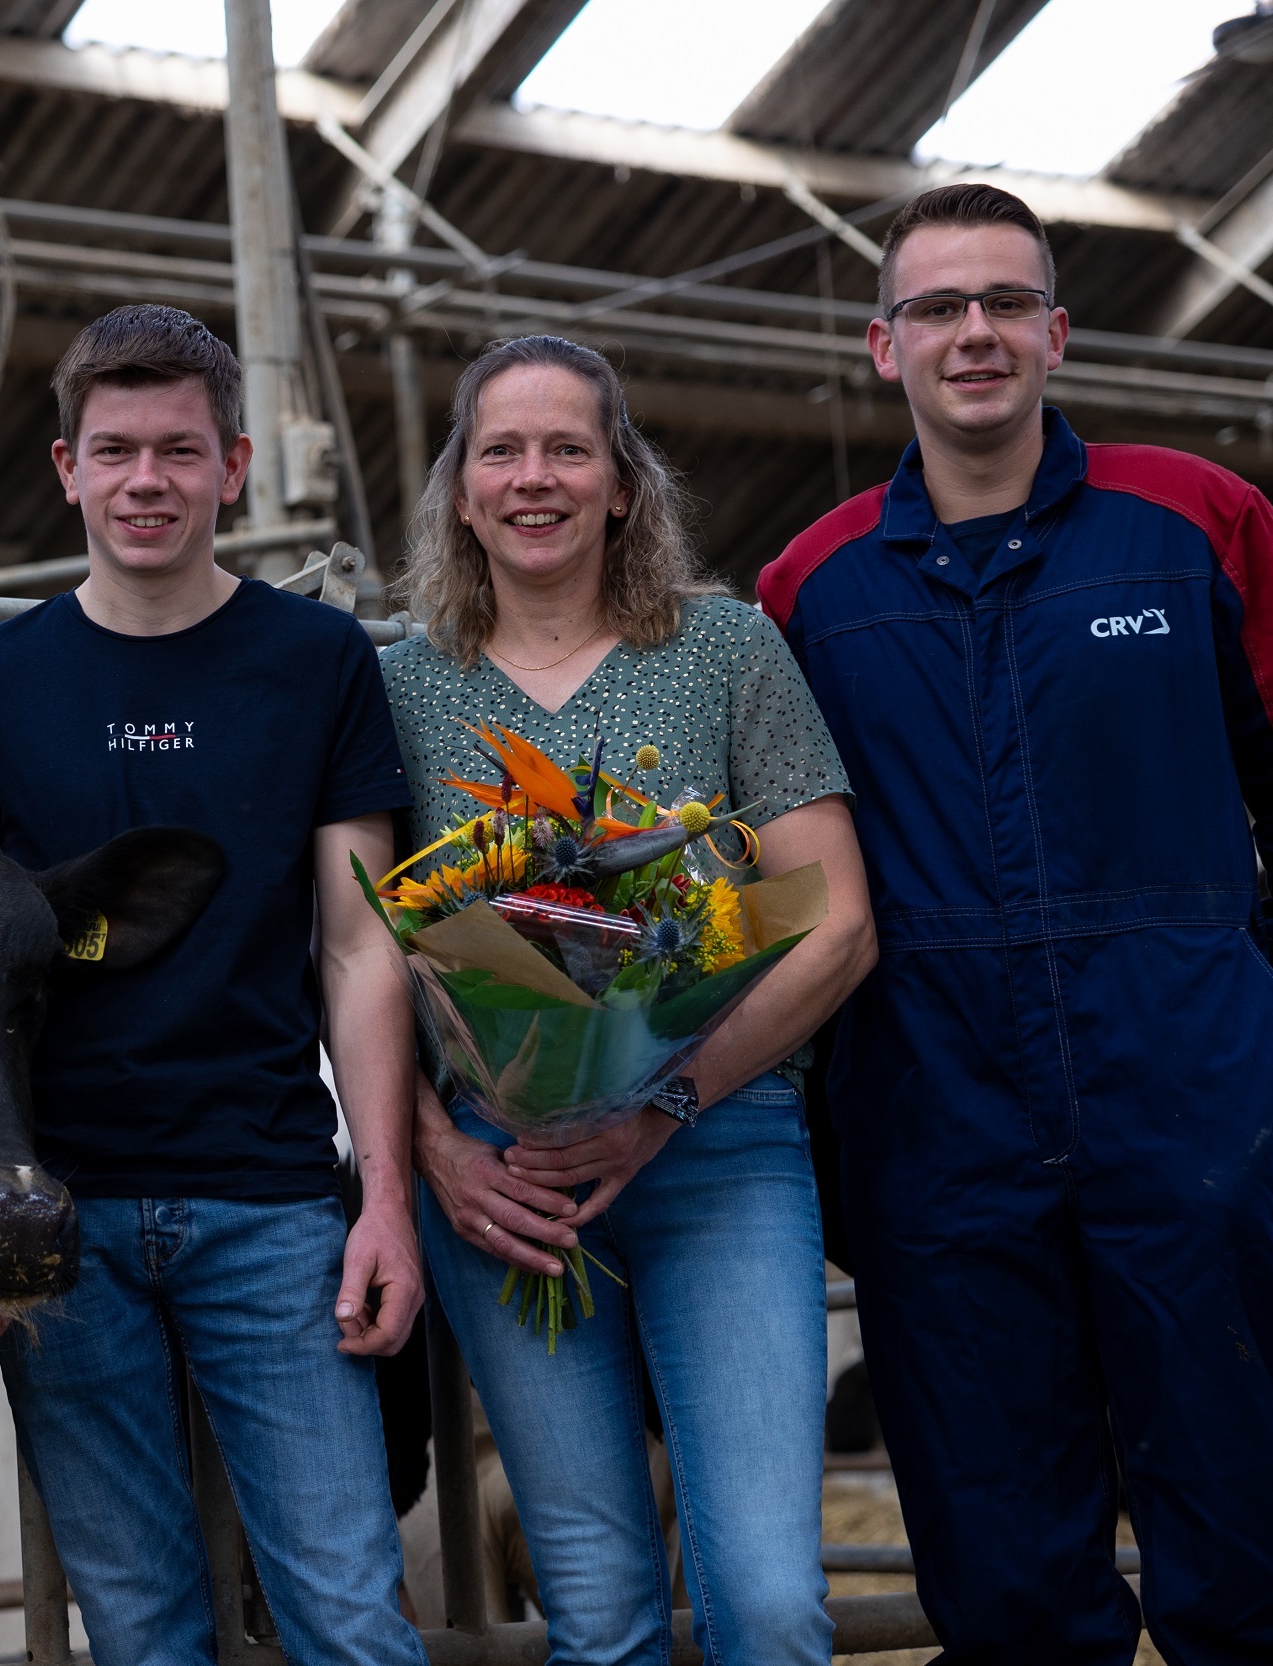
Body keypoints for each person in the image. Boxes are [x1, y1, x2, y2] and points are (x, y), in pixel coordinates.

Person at [760, 183, 1273, 1662]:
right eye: (939, 306)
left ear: (1058, 333)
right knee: (1003, 1567)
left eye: (1006, 302)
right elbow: (784, 875)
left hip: (1191, 1090)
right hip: (938, 1110)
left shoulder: (1195, 519)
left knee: (1253, 1531)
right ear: (885, 346)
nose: (975, 333)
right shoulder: (809, 590)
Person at [0, 305, 428, 1665]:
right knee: (141, 1629)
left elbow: (363, 942)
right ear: (67, 467)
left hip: (268, 1200)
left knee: (350, 1613)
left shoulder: (317, 663)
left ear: (236, 465)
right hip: (57, 1222)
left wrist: (384, 1197)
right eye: (118, 449)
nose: (149, 480)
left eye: (181, 452)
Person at [384, 333, 877, 1662]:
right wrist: (438, 1154)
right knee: (596, 1606)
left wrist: (661, 1098)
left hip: (717, 1147)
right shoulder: (398, 681)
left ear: (621, 483)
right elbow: (361, 952)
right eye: (502, 449)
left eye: (567, 448)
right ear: (460, 489)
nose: (533, 477)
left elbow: (831, 921)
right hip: (507, 1178)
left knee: (769, 1599)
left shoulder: (725, 649)